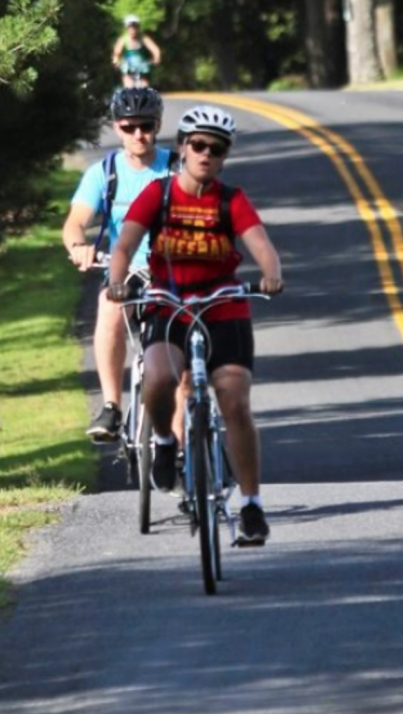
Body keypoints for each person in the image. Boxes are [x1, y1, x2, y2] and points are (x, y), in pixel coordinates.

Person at [107, 104, 284, 546]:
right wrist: (116, 279)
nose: (206, 154)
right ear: (183, 147)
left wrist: (271, 272)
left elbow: (262, 245)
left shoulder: (230, 199)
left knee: (234, 398)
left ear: (225, 155)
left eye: (216, 148)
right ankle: (166, 440)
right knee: (159, 378)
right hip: (168, 304)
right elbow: (125, 243)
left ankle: (251, 506)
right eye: (198, 145)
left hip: (222, 306)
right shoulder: (159, 194)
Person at [62, 87, 175, 440]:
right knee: (109, 306)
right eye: (129, 127)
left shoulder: (177, 168)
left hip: (172, 271)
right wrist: (79, 246)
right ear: (117, 127)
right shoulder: (104, 172)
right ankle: (111, 407)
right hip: (125, 270)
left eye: (145, 126)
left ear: (157, 125)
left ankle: (193, 437)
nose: (138, 135)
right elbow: (75, 222)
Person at [112, 14, 161, 87]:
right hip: (128, 68)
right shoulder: (123, 39)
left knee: (145, 87)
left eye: (135, 27)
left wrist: (156, 58)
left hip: (142, 67)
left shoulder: (143, 38)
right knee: (129, 87)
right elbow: (116, 52)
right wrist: (116, 61)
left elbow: (155, 49)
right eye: (131, 27)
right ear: (127, 28)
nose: (133, 29)